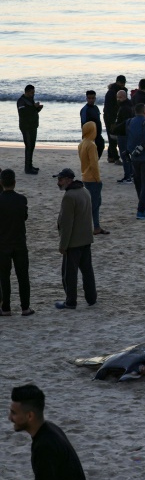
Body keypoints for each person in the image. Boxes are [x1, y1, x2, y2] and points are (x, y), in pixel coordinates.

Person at [1, 384, 103, 480]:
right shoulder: (49, 430)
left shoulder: (44, 445)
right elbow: (50, 478)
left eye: (13, 413)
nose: (9, 418)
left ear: (30, 416)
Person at [55, 168, 97, 309]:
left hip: (73, 242)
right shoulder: (85, 191)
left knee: (69, 275)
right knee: (87, 272)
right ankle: (91, 298)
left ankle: (70, 301)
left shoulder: (69, 196)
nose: (58, 182)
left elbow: (67, 224)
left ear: (68, 180)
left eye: (60, 179)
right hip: (86, 239)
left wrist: (63, 245)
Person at [0, 169, 33, 316]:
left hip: (3, 244)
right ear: (14, 182)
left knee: (4, 278)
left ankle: (6, 307)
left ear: (1, 183)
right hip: (19, 242)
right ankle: (25, 307)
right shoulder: (21, 199)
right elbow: (24, 217)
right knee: (23, 277)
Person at [78, 121, 107, 234]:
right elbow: (94, 163)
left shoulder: (82, 144)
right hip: (92, 178)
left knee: (91, 203)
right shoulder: (91, 145)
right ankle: (94, 227)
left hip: (85, 176)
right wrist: (97, 178)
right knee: (95, 204)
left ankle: (96, 226)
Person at [16, 85, 42, 174]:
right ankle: (27, 168)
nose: (33, 94)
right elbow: (23, 113)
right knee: (29, 146)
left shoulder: (30, 100)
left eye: (33, 92)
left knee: (32, 146)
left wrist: (37, 109)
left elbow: (32, 112)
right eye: (31, 92)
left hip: (33, 126)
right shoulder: (21, 101)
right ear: (26, 92)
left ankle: (30, 166)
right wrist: (33, 107)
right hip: (25, 127)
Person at [103, 75, 126, 163]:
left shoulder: (122, 91)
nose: (122, 85)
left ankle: (110, 156)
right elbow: (108, 108)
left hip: (116, 116)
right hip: (110, 117)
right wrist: (112, 121)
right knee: (112, 137)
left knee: (113, 137)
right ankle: (115, 158)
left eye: (123, 83)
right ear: (117, 82)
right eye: (121, 83)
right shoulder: (111, 92)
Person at [113, 89, 135, 184]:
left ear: (124, 97)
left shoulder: (124, 108)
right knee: (127, 155)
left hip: (123, 134)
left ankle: (128, 176)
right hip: (127, 134)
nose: (118, 99)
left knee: (124, 155)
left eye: (120, 97)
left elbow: (125, 122)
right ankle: (131, 174)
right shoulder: (129, 106)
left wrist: (116, 128)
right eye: (118, 97)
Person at [80, 90, 105, 159]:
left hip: (98, 134)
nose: (91, 100)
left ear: (95, 98)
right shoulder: (85, 110)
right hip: (89, 136)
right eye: (89, 98)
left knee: (101, 146)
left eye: (93, 98)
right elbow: (84, 123)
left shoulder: (96, 108)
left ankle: (95, 162)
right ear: (86, 99)